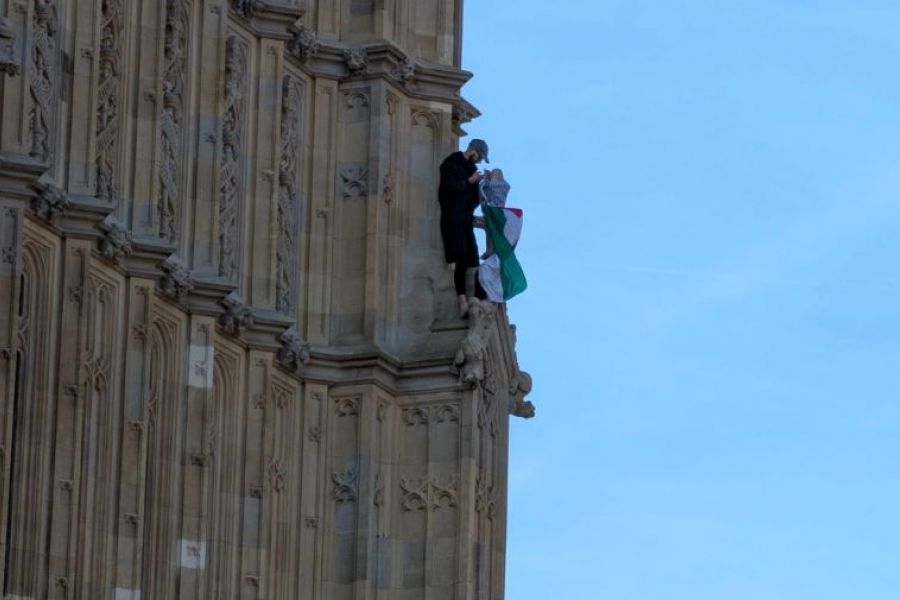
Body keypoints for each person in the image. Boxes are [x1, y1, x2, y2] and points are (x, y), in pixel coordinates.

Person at [438, 139, 489, 317]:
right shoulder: (453, 162)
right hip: (453, 219)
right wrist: (470, 181)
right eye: (480, 157)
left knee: (474, 260)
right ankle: (461, 300)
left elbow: (474, 200)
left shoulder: (471, 170)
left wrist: (483, 184)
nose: (479, 161)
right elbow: (449, 188)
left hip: (465, 220)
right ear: (473, 151)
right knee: (461, 259)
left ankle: (475, 298)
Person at [478, 168, 510, 259]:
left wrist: (486, 178)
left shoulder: (496, 185)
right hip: (497, 213)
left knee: (489, 228)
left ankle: (490, 251)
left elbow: (482, 187)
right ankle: (490, 251)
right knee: (490, 230)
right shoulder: (502, 185)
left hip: (494, 212)